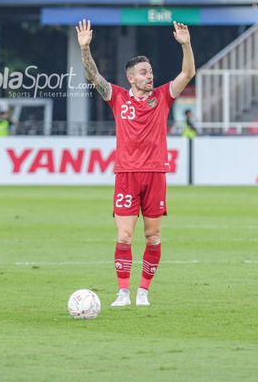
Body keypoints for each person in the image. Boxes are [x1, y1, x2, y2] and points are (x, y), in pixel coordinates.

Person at [76, 19, 195, 308]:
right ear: (131, 77)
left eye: (150, 71)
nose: (149, 76)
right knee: (125, 235)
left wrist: (186, 44)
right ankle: (123, 293)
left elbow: (188, 72)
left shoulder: (163, 97)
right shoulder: (117, 97)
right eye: (143, 72)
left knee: (152, 237)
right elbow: (93, 77)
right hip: (127, 175)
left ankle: (143, 292)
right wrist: (85, 49)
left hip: (156, 174)